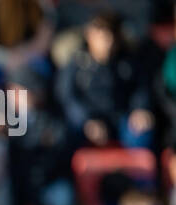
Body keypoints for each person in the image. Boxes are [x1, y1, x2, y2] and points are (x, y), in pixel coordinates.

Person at [55, 12, 155, 149]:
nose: (107, 43)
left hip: (120, 118)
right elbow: (67, 97)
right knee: (63, 138)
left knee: (141, 136)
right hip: (87, 120)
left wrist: (140, 109)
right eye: (101, 37)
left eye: (111, 37)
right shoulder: (77, 64)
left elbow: (140, 88)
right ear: (89, 36)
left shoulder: (127, 62)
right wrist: (86, 121)